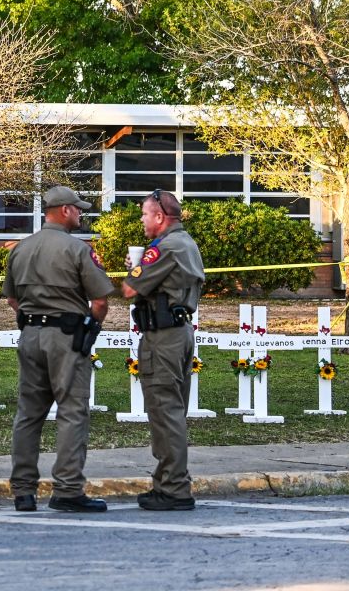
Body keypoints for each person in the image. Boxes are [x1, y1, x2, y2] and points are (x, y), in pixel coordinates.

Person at [2, 185, 115, 514]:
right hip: (65, 337)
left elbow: (11, 299)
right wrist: (91, 326)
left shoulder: (21, 249)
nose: (80, 214)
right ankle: (67, 488)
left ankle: (23, 491)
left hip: (31, 334)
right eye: (77, 209)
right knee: (71, 411)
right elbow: (101, 300)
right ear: (64, 210)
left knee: (28, 413)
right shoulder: (77, 249)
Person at [122, 188, 205, 512]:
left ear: (159, 217)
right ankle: (170, 481)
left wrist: (136, 268)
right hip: (180, 332)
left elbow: (130, 288)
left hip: (163, 338)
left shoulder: (164, 247)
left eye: (144, 214)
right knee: (173, 412)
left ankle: (173, 488)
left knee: (165, 413)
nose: (142, 219)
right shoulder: (186, 242)